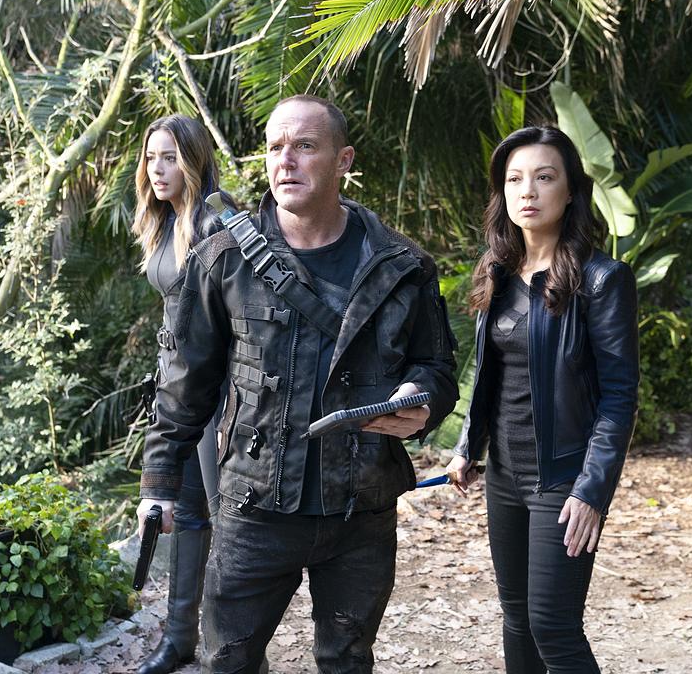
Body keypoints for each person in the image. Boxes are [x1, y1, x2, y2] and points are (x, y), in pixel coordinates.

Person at [138, 94, 459, 674]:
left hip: (361, 508)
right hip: (255, 506)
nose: (285, 161)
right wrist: (159, 481)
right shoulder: (223, 259)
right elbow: (185, 384)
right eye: (274, 148)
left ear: (343, 160)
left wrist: (422, 403)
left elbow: (435, 367)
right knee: (228, 662)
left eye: (305, 146)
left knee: (347, 660)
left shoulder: (402, 266)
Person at [446, 125, 638, 673]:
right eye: (514, 179)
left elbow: (619, 397)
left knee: (553, 626)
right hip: (505, 476)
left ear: (571, 190)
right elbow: (490, 374)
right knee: (517, 620)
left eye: (544, 177)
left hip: (563, 478)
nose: (527, 191)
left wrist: (592, 491)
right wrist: (468, 445)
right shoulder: (498, 272)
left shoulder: (602, 280)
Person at [131, 114, 236, 674]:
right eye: (151, 157)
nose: (158, 168)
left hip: (218, 395)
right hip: (179, 391)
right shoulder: (166, 220)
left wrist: (230, 405)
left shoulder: (217, 219)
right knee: (188, 513)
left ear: (193, 160)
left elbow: (242, 320)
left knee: (227, 521)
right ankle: (178, 639)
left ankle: (237, 650)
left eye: (170, 157)